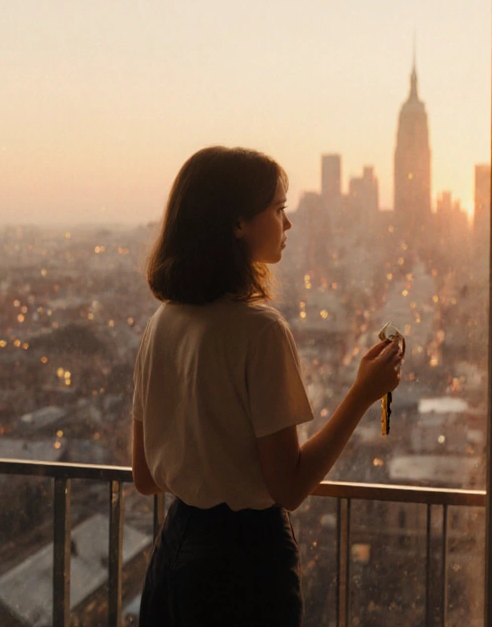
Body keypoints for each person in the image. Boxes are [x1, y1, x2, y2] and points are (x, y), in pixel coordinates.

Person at [132, 145, 404, 627]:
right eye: (279, 209)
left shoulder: (161, 323)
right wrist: (363, 394)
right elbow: (290, 485)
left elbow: (145, 476)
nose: (289, 223)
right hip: (243, 566)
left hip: (173, 557)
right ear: (239, 223)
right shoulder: (260, 330)